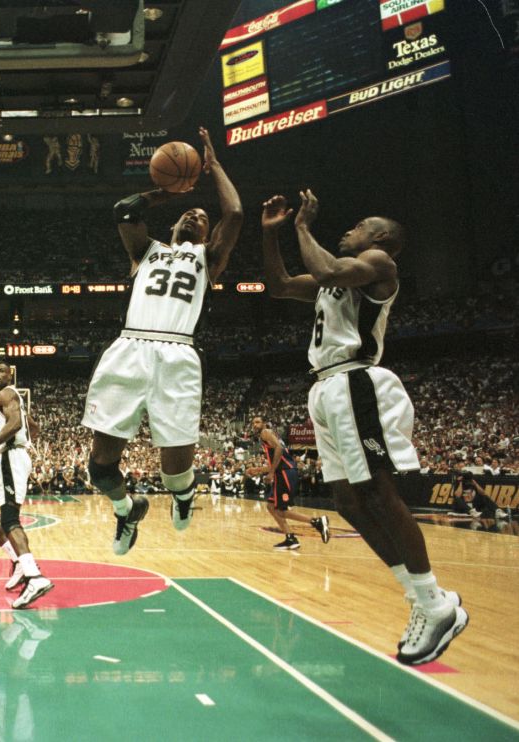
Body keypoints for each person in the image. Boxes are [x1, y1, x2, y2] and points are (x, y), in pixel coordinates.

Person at [260, 190, 466, 666]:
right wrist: (270, 234)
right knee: (347, 500)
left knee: (376, 491)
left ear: (380, 237)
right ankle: (423, 599)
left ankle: (434, 600)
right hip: (326, 388)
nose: (347, 231)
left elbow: (331, 269)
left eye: (356, 226)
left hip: (357, 381)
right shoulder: (336, 279)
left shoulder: (378, 262)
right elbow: (278, 285)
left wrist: (301, 229)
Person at [82, 127, 243, 553]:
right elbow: (123, 209)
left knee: (173, 473)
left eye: (202, 218)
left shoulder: (208, 259)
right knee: (100, 468)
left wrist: (213, 165)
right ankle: (126, 509)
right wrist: (167, 190)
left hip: (177, 353)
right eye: (188, 214)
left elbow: (237, 214)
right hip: (130, 348)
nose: (195, 216)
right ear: (172, 224)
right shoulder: (145, 252)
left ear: (209, 235)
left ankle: (185, 494)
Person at [0, 363, 53, 610]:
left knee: (9, 520)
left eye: (1, 371)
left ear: (10, 375)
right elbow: (32, 427)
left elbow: (16, 423)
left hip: (11, 459)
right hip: (8, 459)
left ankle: (34, 577)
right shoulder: (12, 398)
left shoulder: (6, 393)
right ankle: (18, 560)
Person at [247, 416, 330, 550]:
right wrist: (258, 470)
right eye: (253, 423)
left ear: (264, 423)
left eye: (257, 422)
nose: (254, 425)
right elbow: (279, 460)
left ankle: (317, 522)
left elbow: (279, 449)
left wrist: (271, 472)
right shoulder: (270, 435)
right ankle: (290, 538)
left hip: (285, 473)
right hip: (284, 471)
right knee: (271, 506)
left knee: (280, 510)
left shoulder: (265, 432)